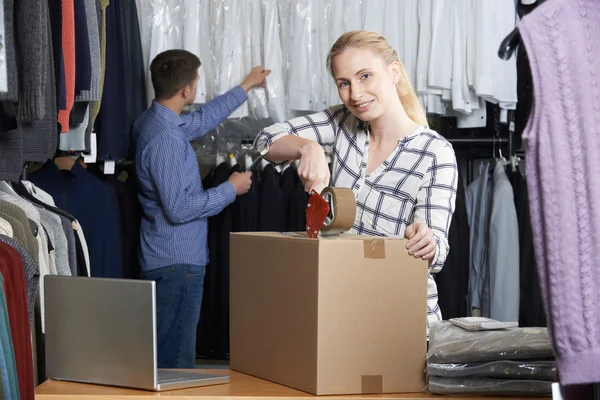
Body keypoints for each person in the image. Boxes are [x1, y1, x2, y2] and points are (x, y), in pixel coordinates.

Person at [254, 30, 458, 332]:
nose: (355, 94)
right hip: (339, 310)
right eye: (344, 83)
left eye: (365, 76)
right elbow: (264, 141)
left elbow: (437, 249)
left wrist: (425, 240)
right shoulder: (341, 124)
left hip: (401, 320)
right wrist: (305, 147)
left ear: (394, 72)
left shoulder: (434, 151)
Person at [133, 49, 270, 368]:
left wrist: (246, 85)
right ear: (186, 89)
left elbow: (203, 119)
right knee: (175, 359)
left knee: (168, 352)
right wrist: (230, 189)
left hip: (168, 258)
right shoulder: (165, 139)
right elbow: (178, 209)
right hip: (175, 263)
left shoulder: (153, 120)